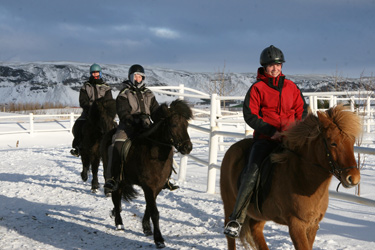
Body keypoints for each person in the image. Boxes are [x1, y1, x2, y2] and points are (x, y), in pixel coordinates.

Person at [223, 45, 309, 238]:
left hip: (291, 138)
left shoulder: (291, 87)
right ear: (264, 67)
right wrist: (272, 131)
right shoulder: (257, 88)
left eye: (278, 65)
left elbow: (301, 110)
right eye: (271, 65)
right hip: (265, 139)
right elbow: (250, 115)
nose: (275, 68)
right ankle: (236, 218)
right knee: (251, 172)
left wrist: (295, 129)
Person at [104, 64, 179, 192]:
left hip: (146, 125)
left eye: (140, 76)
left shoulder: (149, 93)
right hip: (128, 126)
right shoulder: (124, 93)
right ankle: (112, 178)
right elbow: (123, 112)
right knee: (117, 146)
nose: (138, 78)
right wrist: (131, 120)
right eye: (135, 76)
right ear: (131, 77)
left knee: (166, 144)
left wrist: (162, 116)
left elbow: (154, 111)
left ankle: (166, 178)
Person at [70, 63, 113, 157]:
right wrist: (89, 109)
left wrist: (104, 109)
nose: (95, 75)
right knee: (78, 125)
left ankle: (113, 146)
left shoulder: (106, 87)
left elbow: (109, 100)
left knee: (113, 126)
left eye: (97, 73)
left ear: (100, 73)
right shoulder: (86, 86)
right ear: (90, 74)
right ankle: (78, 147)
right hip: (89, 112)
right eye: (93, 73)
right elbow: (83, 101)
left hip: (103, 112)